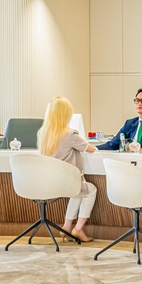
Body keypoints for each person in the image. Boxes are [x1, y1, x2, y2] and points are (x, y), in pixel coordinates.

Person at [38, 96, 97, 243]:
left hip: (49, 182)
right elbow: (91, 149)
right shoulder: (70, 134)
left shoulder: (43, 133)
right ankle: (78, 228)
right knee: (90, 190)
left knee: (77, 192)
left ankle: (66, 227)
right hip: (67, 182)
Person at [90, 87, 142, 152]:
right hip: (128, 159)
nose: (139, 103)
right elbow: (113, 144)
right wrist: (95, 149)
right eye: (137, 100)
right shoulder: (129, 123)